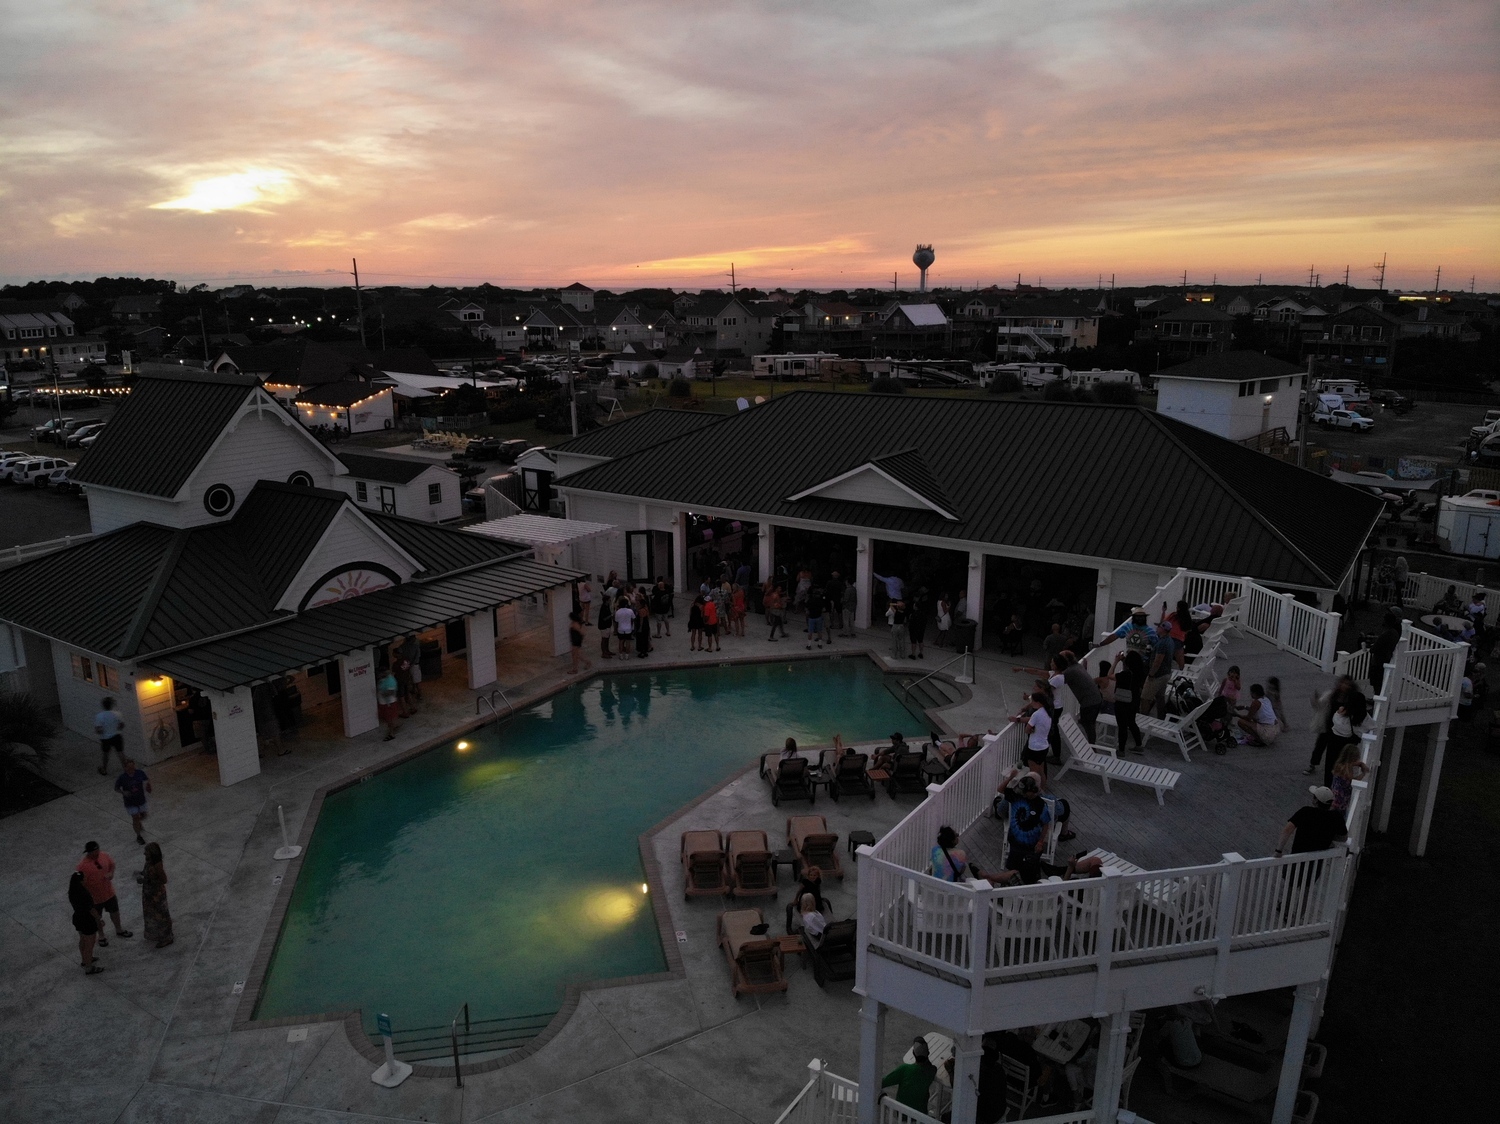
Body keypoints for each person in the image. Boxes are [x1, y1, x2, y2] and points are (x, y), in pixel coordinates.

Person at [1308, 676, 1367, 783]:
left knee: (1339, 756)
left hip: (1344, 732)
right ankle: (1318, 769)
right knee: (1322, 747)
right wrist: (1316, 700)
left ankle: (1336, 780)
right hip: (1329, 727)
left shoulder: (1352, 697)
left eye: (1347, 684)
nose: (1344, 686)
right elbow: (1320, 704)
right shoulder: (1332, 695)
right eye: (1343, 683)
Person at [76, 842, 131, 944]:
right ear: (89, 852)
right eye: (95, 852)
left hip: (109, 892)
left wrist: (111, 873)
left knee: (115, 912)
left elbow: (112, 864)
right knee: (97, 918)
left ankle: (119, 929)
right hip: (94, 898)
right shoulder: (82, 866)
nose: (97, 853)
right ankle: (101, 936)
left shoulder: (104, 855)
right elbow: (80, 883)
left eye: (98, 850)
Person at [1001, 772, 1052, 879]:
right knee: (1012, 871)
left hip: (1031, 846)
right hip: (1015, 843)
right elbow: (1000, 789)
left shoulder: (1040, 804)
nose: (1024, 794)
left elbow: (1045, 824)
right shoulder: (1016, 796)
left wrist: (1040, 842)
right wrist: (1010, 778)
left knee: (1030, 873)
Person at [1276, 786, 1349, 856]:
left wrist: (1278, 851)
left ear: (1316, 801)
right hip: (1319, 861)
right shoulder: (1336, 817)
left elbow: (1287, 830)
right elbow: (1343, 838)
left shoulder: (1305, 812)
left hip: (1297, 859)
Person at [880, 1038, 937, 1114]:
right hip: (920, 1115)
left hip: (902, 1114)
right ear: (928, 1053)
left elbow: (882, 1083)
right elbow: (929, 1065)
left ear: (913, 1053)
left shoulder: (905, 1069)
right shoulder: (932, 1071)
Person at [140, 841, 174, 948]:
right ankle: (158, 934)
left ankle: (167, 937)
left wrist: (145, 881)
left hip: (157, 896)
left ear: (152, 853)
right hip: (149, 895)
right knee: (153, 916)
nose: (144, 853)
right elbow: (148, 873)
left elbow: (163, 880)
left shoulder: (157, 865)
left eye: (146, 852)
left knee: (161, 916)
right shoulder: (149, 861)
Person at [69, 871, 103, 974]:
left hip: (78, 918)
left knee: (83, 940)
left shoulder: (72, 892)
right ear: (81, 881)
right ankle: (89, 967)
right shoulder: (84, 894)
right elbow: (91, 909)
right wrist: (98, 919)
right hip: (87, 921)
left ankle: (85, 960)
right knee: (89, 944)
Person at [1139, 622, 1176, 716]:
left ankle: (1143, 718)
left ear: (1163, 629)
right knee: (1160, 696)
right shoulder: (1170, 641)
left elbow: (1158, 661)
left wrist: (1151, 674)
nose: (1156, 628)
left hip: (1157, 675)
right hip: (1166, 673)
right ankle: (1161, 716)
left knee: (1145, 698)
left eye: (1158, 627)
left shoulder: (1162, 643)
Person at [1113, 650, 1146, 753]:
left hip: (1122, 702)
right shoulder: (1139, 673)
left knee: (1122, 726)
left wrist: (1115, 662)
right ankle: (1139, 745)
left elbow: (1110, 675)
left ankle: (1121, 750)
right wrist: (1123, 660)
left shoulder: (1124, 674)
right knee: (1132, 722)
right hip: (1134, 700)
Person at [113, 758, 152, 845]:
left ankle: (138, 822)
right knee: (135, 817)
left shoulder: (140, 773)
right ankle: (138, 836)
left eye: (132, 766)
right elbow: (116, 788)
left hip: (140, 799)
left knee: (143, 815)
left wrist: (148, 785)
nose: (131, 769)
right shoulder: (122, 778)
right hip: (130, 802)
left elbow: (146, 779)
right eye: (129, 767)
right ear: (125, 768)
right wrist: (123, 792)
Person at [1330, 744, 1369, 816]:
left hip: (1335, 795)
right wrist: (1363, 774)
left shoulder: (1340, 764)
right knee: (1339, 814)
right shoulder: (1346, 769)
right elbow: (1352, 781)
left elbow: (1355, 764)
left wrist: (1361, 764)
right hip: (1341, 799)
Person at [1368, 612, 1402, 694]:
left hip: (1378, 661)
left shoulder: (1386, 634)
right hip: (1387, 658)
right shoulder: (1395, 633)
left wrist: (1371, 646)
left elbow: (1373, 649)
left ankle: (1376, 698)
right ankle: (1377, 696)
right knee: (1380, 681)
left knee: (1376, 682)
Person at [1018, 693, 1052, 773]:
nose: (1031, 703)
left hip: (1035, 747)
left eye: (1032, 701)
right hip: (1044, 745)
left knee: (1033, 772)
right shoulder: (1048, 712)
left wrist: (1032, 730)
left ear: (1038, 702)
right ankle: (1042, 782)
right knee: (1042, 771)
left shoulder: (1036, 714)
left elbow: (1027, 730)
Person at [95, 697, 125, 777]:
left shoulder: (99, 716)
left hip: (105, 738)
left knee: (106, 753)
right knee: (120, 752)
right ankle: (126, 768)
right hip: (117, 736)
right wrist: (116, 728)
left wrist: (103, 731)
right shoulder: (118, 714)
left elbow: (98, 730)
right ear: (111, 705)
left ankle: (104, 769)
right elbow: (122, 725)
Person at [376, 668, 400, 740]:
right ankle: (394, 726)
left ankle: (391, 733)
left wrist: (382, 693)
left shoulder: (390, 681)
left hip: (389, 703)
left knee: (390, 719)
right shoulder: (383, 679)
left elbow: (391, 692)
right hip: (384, 703)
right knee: (388, 718)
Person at [907, 589, 929, 659]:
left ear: (916, 607)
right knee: (920, 641)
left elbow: (911, 622)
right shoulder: (923, 614)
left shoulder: (913, 615)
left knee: (913, 642)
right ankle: (921, 653)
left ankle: (913, 654)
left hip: (914, 629)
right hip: (921, 629)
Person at [805, 585, 827, 649]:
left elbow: (806, 609)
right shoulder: (821, 601)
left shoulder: (810, 600)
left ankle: (809, 645)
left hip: (811, 617)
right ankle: (820, 644)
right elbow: (824, 609)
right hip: (819, 617)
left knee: (810, 632)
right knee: (819, 631)